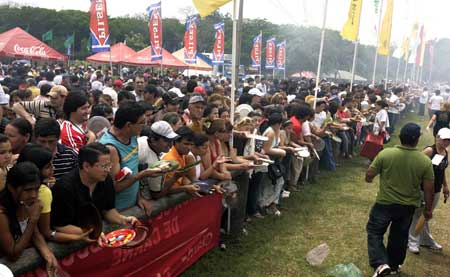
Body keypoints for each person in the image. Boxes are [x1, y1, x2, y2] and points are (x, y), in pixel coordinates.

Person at [365, 123, 435, 276]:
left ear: (400, 136)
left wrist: (369, 177)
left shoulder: (386, 154)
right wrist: (428, 209)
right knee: (399, 236)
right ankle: (394, 266)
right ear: (417, 140)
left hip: (384, 203)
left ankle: (381, 263)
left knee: (374, 232)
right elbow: (429, 188)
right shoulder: (424, 161)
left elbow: (369, 175)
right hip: (407, 206)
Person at [51, 143, 139, 245]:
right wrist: (92, 232)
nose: (108, 169)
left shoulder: (106, 180)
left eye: (109, 165)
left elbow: (108, 210)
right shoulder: (64, 188)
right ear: (86, 166)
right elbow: (59, 225)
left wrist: (123, 219)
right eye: (104, 166)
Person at [99, 101, 161, 212]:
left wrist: (139, 198)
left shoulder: (132, 136)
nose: (145, 125)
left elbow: (133, 168)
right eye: (141, 122)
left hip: (133, 204)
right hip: (119, 210)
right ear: (128, 125)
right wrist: (142, 175)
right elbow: (115, 187)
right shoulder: (110, 148)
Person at [0, 162, 58, 275]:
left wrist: (48, 255)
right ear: (11, 188)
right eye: (28, 190)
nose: (34, 195)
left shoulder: (23, 202)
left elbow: (35, 234)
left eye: (36, 189)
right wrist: (33, 220)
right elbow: (13, 254)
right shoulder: (2, 214)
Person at [408, 127, 450, 254]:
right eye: (444, 140)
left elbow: (441, 171)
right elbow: (414, 165)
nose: (446, 143)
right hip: (423, 189)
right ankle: (412, 242)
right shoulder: (429, 151)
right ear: (437, 138)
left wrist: (445, 186)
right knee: (417, 214)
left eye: (448, 140)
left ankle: (425, 240)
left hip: (436, 190)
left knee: (426, 215)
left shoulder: (445, 153)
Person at [138, 122, 180, 201]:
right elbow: (156, 195)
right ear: (153, 140)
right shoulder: (154, 164)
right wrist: (176, 177)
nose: (171, 144)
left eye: (172, 140)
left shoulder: (142, 139)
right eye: (167, 141)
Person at [161, 126, 201, 196]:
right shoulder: (170, 159)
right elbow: (166, 190)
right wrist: (186, 188)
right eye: (186, 144)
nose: (189, 147)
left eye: (191, 144)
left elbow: (182, 179)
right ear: (176, 142)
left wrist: (206, 186)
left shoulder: (182, 155)